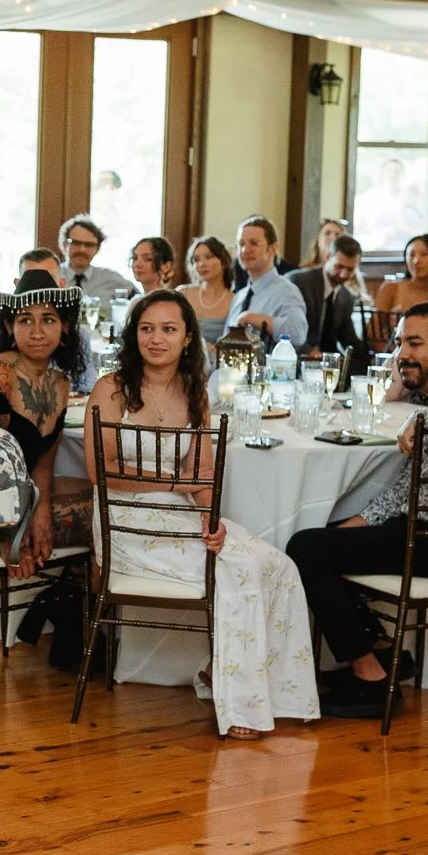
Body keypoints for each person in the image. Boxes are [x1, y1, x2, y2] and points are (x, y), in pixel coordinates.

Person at [85, 291, 319, 737]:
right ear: (134, 335)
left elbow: (205, 473)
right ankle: (242, 709)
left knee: (278, 565)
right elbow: (102, 471)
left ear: (188, 338)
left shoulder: (195, 393)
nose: (157, 339)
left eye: (169, 329)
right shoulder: (111, 388)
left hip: (179, 515)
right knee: (236, 570)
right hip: (123, 521)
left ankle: (266, 689)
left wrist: (211, 520)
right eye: (147, 328)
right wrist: (178, 485)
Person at [286, 303, 428, 720]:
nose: (402, 354)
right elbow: (403, 492)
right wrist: (353, 526)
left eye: (415, 343)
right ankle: (384, 653)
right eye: (399, 343)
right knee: (320, 537)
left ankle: (373, 680)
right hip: (426, 527)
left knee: (307, 549)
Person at [0, 271, 91, 579]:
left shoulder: (60, 383)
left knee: (108, 500)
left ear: (64, 327)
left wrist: (40, 516)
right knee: (103, 519)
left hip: (23, 499)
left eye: (48, 320)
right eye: (26, 320)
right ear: (10, 328)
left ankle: (62, 602)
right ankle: (69, 604)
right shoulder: (0, 377)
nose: (37, 332)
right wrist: (7, 538)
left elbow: (42, 465)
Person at [227, 215, 310, 348]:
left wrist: (255, 319)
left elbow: (298, 334)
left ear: (272, 249)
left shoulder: (287, 292)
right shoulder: (239, 297)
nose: (245, 250)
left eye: (253, 243)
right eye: (241, 244)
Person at [291, 233, 367, 361]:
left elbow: (349, 340)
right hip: (296, 358)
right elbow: (288, 329)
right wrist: (309, 351)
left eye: (350, 269)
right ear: (327, 258)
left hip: (326, 365)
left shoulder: (345, 296)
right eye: (339, 267)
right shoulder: (299, 282)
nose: (343, 274)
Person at [59, 214, 132, 299]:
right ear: (64, 245)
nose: (82, 250)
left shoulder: (113, 279)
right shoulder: (52, 276)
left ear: (97, 248)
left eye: (89, 245)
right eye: (76, 243)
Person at [181, 235, 237, 345]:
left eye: (209, 257)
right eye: (196, 260)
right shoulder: (184, 293)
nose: (201, 264)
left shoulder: (235, 301)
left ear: (223, 261)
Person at [375, 232, 428, 314]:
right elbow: (374, 326)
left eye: (424, 254)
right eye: (411, 255)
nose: (416, 261)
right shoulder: (391, 288)